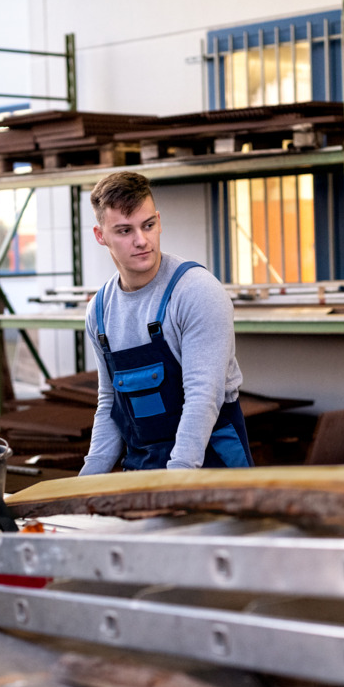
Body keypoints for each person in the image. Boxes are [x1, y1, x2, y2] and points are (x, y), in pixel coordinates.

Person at [79, 171, 253, 475]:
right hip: (142, 466)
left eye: (148, 225)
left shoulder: (197, 292)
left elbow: (203, 397)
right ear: (100, 235)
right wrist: (87, 481)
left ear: (159, 221)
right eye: (124, 231)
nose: (141, 241)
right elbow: (109, 405)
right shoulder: (100, 311)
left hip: (210, 465)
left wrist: (175, 480)